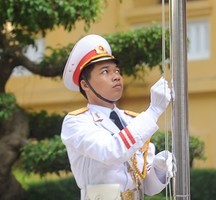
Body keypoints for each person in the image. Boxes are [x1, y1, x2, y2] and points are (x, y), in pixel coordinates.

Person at [61, 34, 174, 200]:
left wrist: (160, 168)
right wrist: (154, 111)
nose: (116, 77)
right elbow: (111, 151)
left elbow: (148, 187)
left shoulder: (133, 121)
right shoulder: (76, 122)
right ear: (85, 85)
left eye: (117, 71)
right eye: (105, 72)